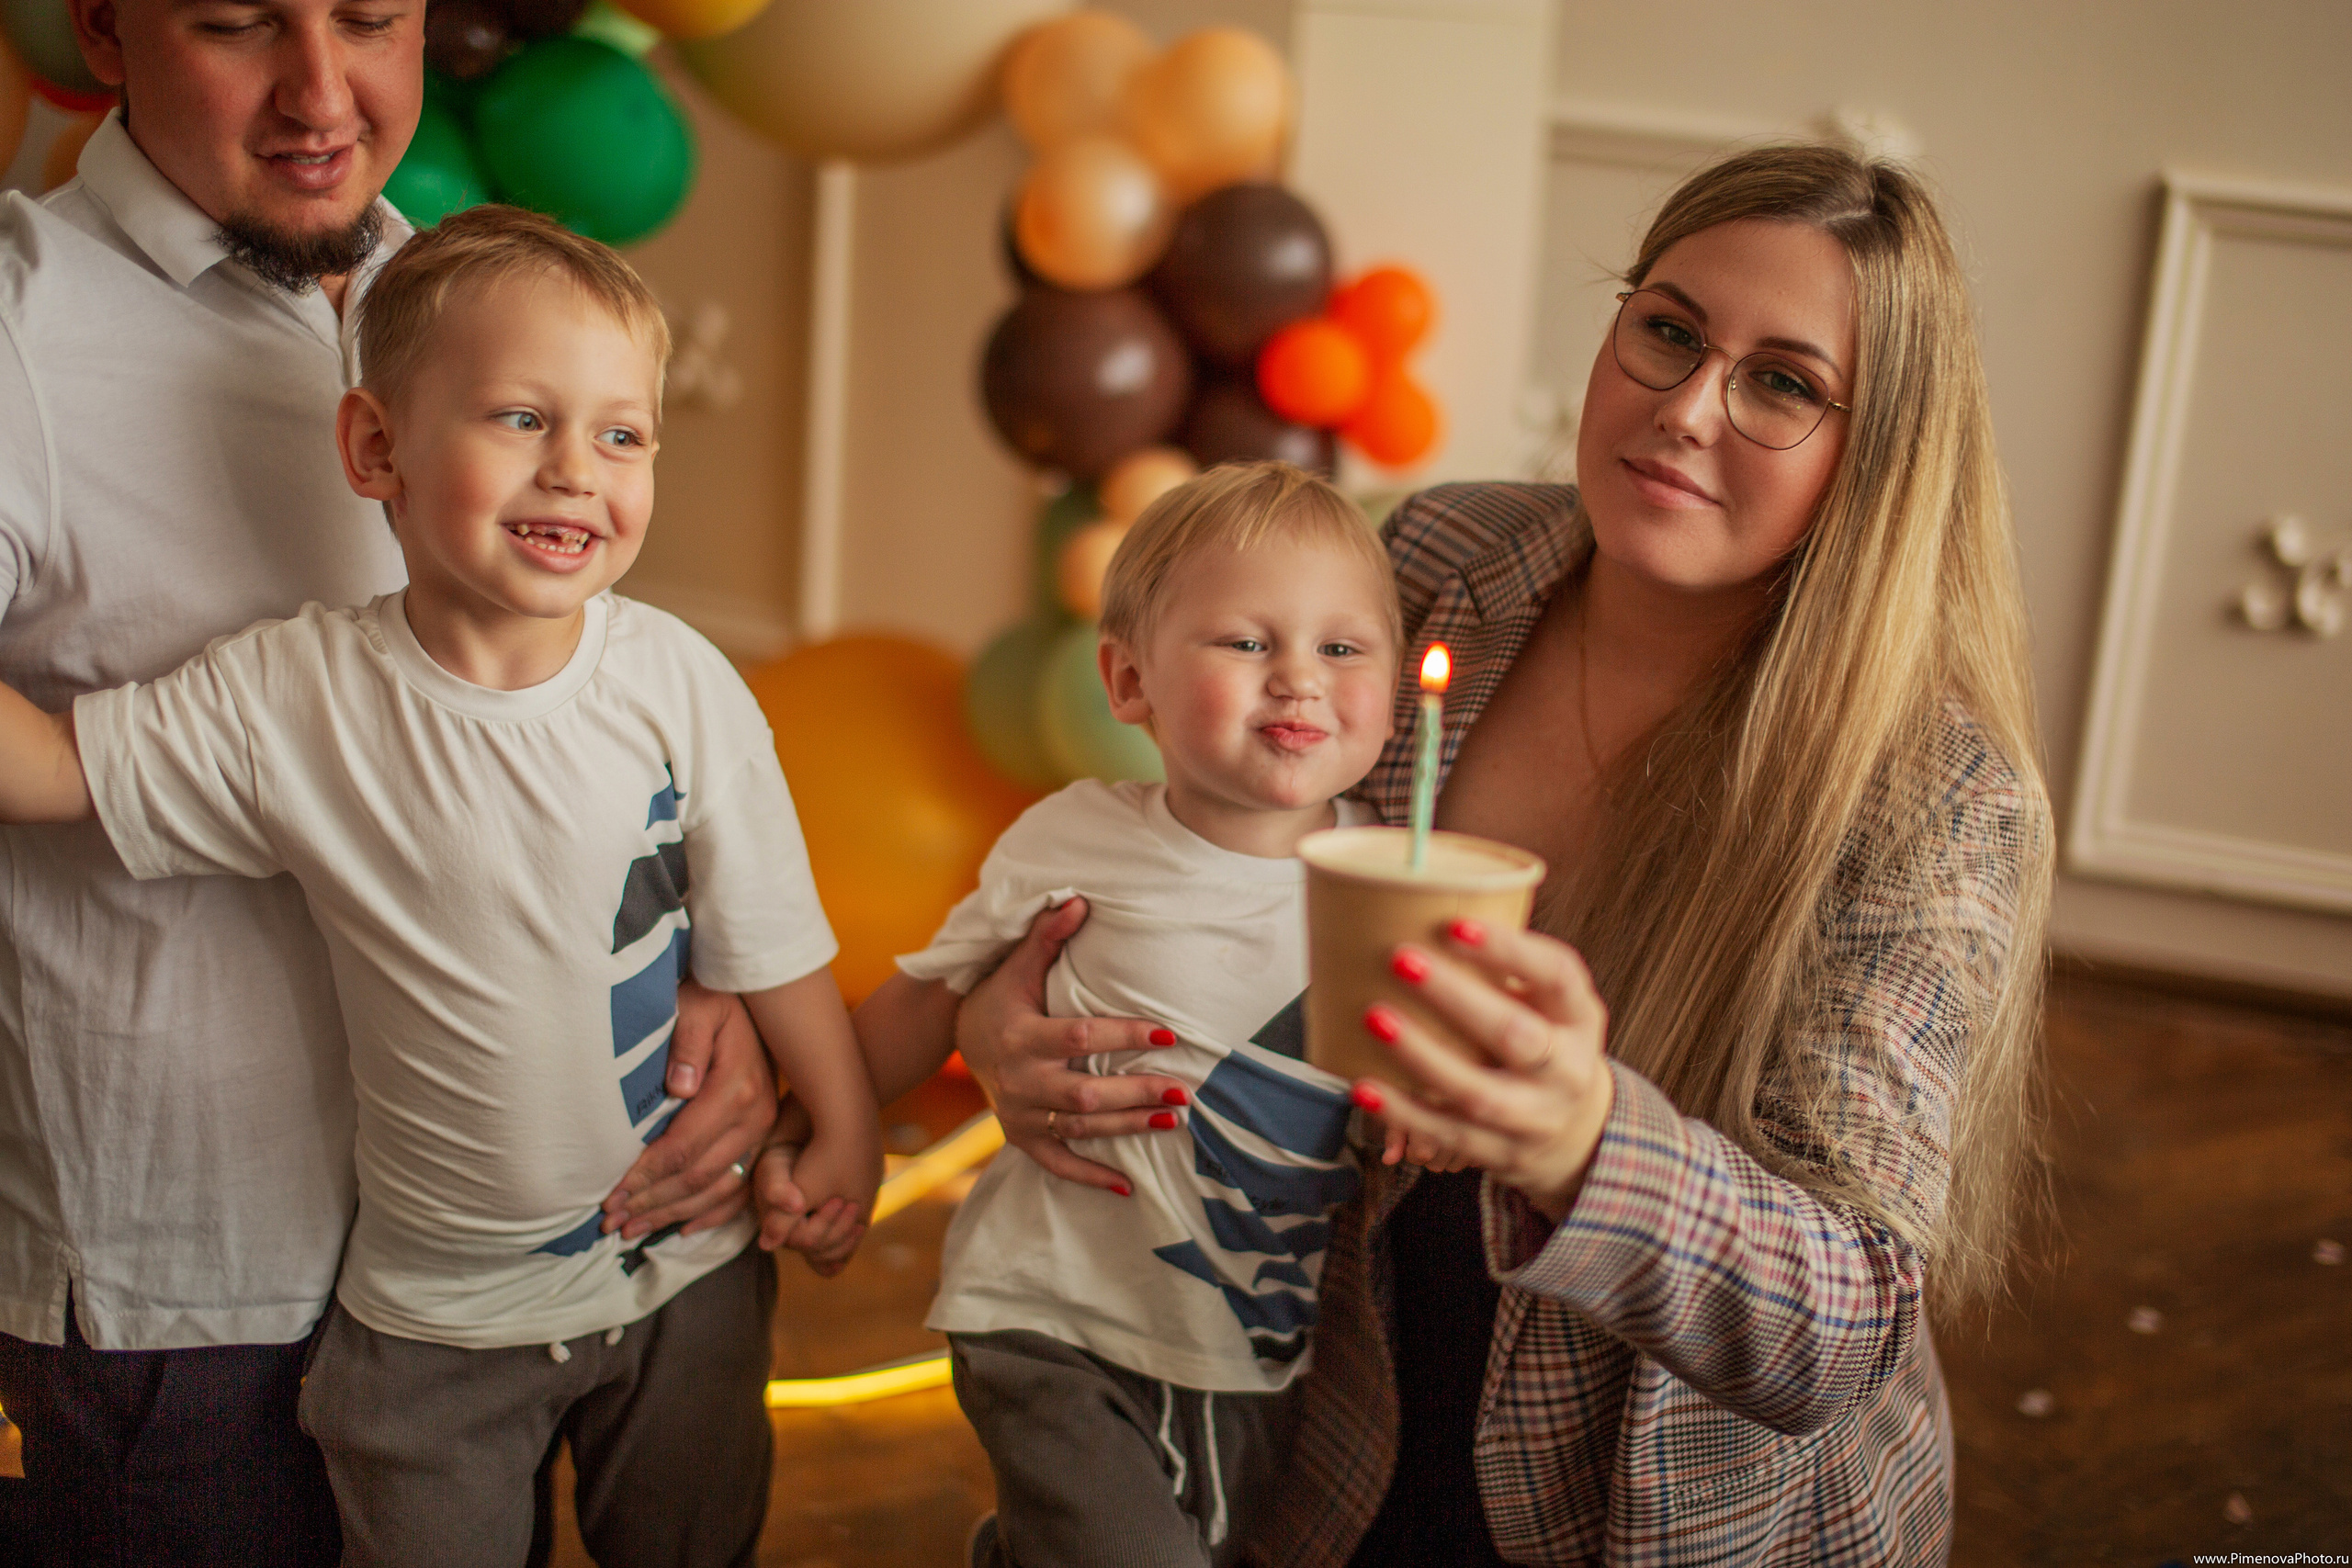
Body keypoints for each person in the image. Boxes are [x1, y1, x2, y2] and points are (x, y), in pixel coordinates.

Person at [954, 142, 2053, 1563]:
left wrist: (1581, 1136)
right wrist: (1014, 1015)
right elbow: (1206, 860)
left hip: (1662, 1503)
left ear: (1878, 451)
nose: (1684, 408)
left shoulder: (1930, 790)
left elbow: (1837, 1322)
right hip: (1333, 1406)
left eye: (1783, 382)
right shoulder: (1442, 555)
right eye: (1665, 330)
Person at [0, 6, 781, 1563]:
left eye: (370, 18)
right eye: (236, 21)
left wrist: (709, 982)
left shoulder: (458, 291)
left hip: (534, 1254)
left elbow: (578, 716)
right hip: (202, 1290)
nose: (320, 91)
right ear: (104, 24)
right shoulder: (22, 325)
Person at [849, 462, 1399, 1567]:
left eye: (1341, 649)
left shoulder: (1393, 872)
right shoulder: (1074, 839)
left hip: (1260, 1347)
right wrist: (818, 1133)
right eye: (1247, 643)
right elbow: (933, 989)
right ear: (1128, 680)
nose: (1298, 679)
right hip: (1054, 1317)